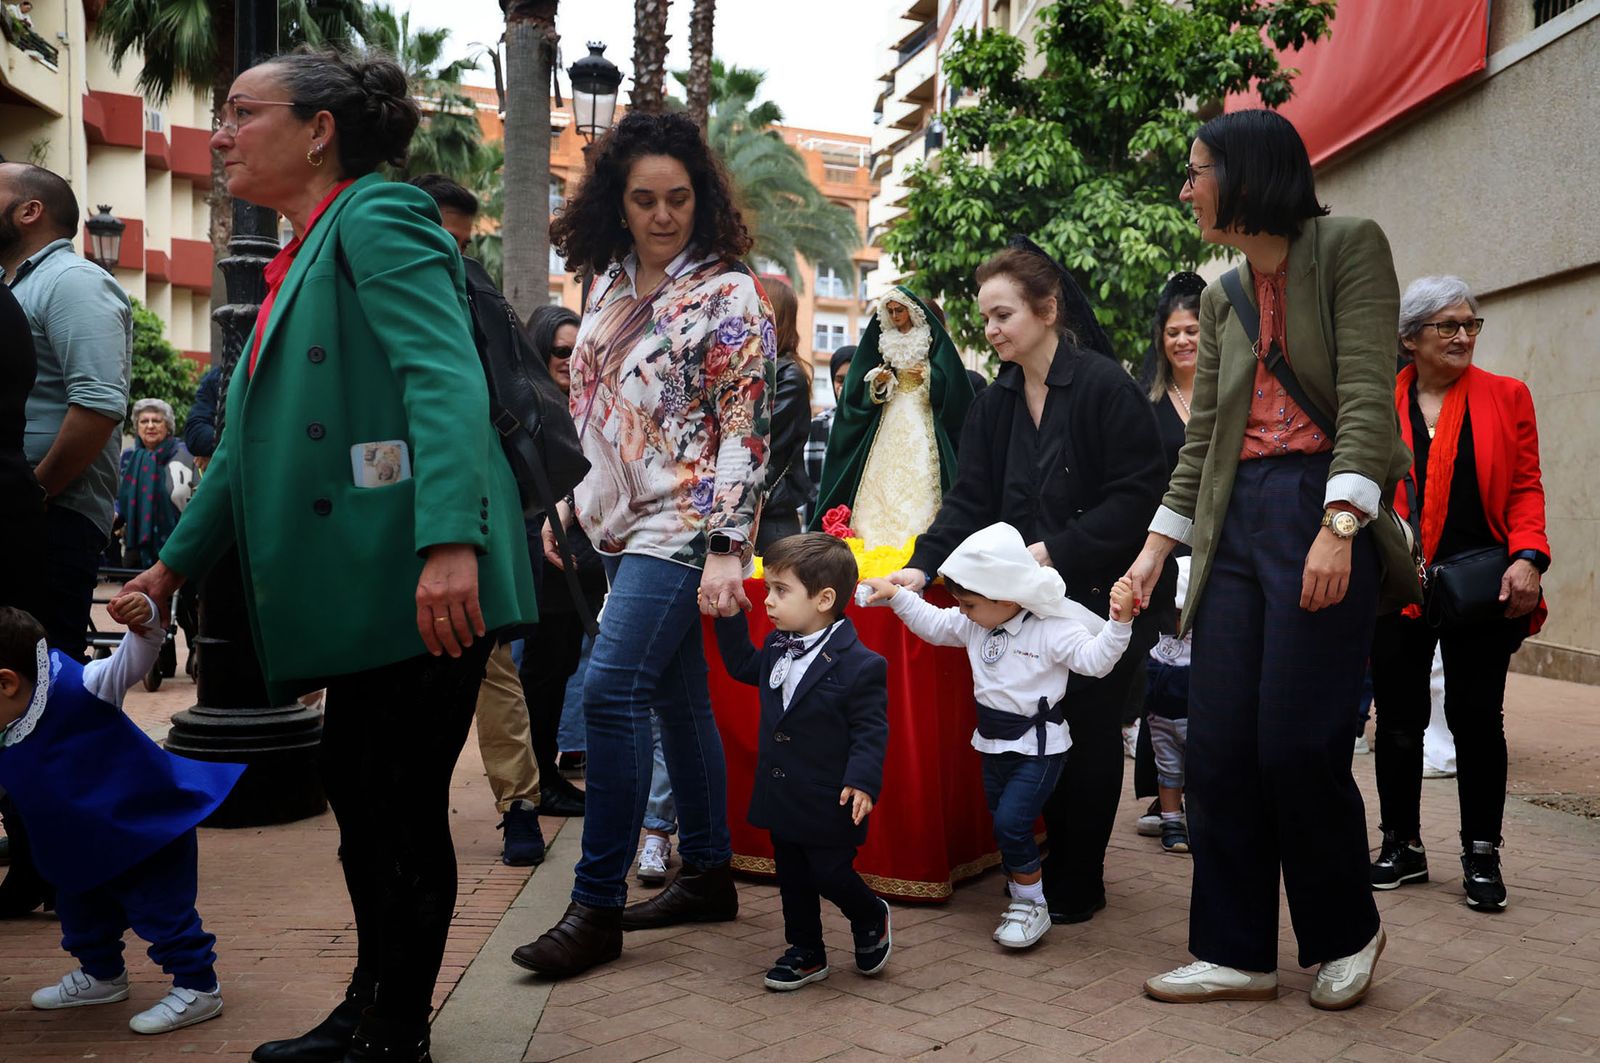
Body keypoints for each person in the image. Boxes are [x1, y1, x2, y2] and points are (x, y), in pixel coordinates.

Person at [123, 48, 536, 1063]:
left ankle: (396, 1028)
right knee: (363, 801)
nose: (220, 134)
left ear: (319, 130)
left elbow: (443, 380)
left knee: (394, 807)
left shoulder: (381, 215)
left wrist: (450, 542)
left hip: (416, 575)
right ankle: (370, 1002)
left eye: (240, 112)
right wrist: (170, 568)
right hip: (371, 580)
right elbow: (248, 448)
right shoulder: (309, 242)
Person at [1127, 109, 1410, 1010]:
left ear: (1246, 175)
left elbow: (1369, 393)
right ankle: (1235, 950)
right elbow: (1203, 439)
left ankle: (1346, 929)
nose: (1187, 187)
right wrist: (1150, 556)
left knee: (1297, 742)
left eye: (1197, 169)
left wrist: (1339, 522)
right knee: (1217, 750)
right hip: (1233, 524)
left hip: (1319, 507)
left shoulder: (1350, 246)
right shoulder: (1221, 294)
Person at [511, 109, 773, 980]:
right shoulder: (609, 284)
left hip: (688, 523)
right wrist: (578, 509)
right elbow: (598, 416)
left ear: (702, 199)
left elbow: (746, 427)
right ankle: (705, 869)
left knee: (615, 689)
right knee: (676, 700)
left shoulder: (730, 293)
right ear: (617, 204)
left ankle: (596, 906)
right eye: (645, 200)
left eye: (679, 199)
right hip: (621, 526)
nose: (664, 215)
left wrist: (731, 544)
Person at [886, 240, 1172, 926]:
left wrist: (1051, 553)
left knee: (1093, 731)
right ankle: (1039, 871)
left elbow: (1138, 497)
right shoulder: (995, 403)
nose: (990, 329)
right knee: (1037, 733)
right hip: (1018, 608)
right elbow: (968, 499)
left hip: (1100, 597)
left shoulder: (1106, 387)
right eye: (984, 317)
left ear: (1047, 309)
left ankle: (1081, 875)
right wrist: (923, 565)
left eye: (1002, 313)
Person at [1368, 276, 1548, 912]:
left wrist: (1528, 557)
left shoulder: (1507, 397)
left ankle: (1480, 851)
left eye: (1470, 324)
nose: (1463, 336)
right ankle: (1401, 845)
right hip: (1398, 584)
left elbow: (1526, 486)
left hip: (1479, 586)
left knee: (1477, 721)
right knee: (1397, 721)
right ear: (1410, 338)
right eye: (1447, 326)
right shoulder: (1375, 403)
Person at [865, 523, 1134, 948]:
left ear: (1006, 597)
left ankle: (1031, 905)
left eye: (968, 603)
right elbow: (935, 624)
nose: (962, 611)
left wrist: (1118, 625)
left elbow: (1094, 661)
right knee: (1004, 825)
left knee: (1011, 823)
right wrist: (898, 596)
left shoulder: (1051, 627)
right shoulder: (978, 623)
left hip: (1038, 749)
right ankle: (1024, 890)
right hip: (992, 744)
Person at [0, 601, 242, 1034]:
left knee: (161, 911)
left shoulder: (82, 684)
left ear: (6, 683)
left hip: (145, 830)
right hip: (83, 845)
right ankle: (102, 974)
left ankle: (198, 985)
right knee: (81, 910)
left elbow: (135, 655)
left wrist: (146, 619)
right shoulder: (8, 721)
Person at [1, 161, 132, 922]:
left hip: (48, 522)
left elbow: (95, 405)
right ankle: (41, 863)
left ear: (29, 211)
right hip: (29, 517)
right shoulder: (22, 287)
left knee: (39, 696)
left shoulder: (74, 284)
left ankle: (59, 868)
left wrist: (31, 493)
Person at [408, 172, 549, 862]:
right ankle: (403, 807)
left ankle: (520, 803)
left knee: (489, 659)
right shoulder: (372, 285)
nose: (450, 253)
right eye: (440, 236)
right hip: (387, 508)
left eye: (461, 243)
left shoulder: (471, 291)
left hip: (469, 500)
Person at [713, 533, 891, 990]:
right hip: (782, 791)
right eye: (768, 588)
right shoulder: (777, 645)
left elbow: (871, 730)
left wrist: (864, 781)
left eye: (780, 590)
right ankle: (806, 950)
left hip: (830, 794)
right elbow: (740, 667)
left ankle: (869, 913)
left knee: (829, 871)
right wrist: (730, 616)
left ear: (824, 599)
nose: (768, 600)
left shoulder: (861, 664)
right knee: (791, 876)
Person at [513, 303, 597, 820]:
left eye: (577, 350)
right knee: (540, 675)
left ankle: (546, 778)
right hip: (541, 558)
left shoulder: (589, 404)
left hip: (584, 561)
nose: (568, 360)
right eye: (559, 350)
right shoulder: (525, 405)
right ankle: (538, 782)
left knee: (563, 667)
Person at [1131, 272, 1206, 835]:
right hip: (1162, 553)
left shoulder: (1233, 392)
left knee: (1217, 673)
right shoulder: (1147, 401)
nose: (1182, 341)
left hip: (1223, 550)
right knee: (1163, 678)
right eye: (1173, 332)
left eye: (1193, 331)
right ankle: (1168, 798)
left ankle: (1210, 793)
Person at [812, 288, 973, 548]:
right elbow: (867, 385)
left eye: (901, 311)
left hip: (921, 416)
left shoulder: (929, 346)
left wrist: (928, 377)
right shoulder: (887, 343)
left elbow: (954, 394)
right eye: (892, 312)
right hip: (891, 414)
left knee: (920, 475)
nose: (897, 317)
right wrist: (880, 382)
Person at [755, 276, 813, 552]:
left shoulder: (788, 376)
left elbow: (758, 439)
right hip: (746, 511)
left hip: (770, 515)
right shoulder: (753, 368)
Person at [1143, 556, 1193, 855]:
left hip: (1195, 719)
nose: (1176, 620)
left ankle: (1200, 821)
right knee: (1168, 772)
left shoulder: (1207, 637)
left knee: (1200, 771)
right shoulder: (1156, 633)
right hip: (1160, 720)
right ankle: (1171, 821)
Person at [118, 399, 195, 569]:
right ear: (137, 427)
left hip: (176, 546)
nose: (150, 426)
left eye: (156, 421)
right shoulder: (129, 457)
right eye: (144, 421)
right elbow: (119, 498)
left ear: (168, 427)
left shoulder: (186, 455)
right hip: (135, 544)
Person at [801, 345, 854, 529]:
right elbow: (808, 487)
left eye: (851, 378)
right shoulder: (817, 427)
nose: (844, 386)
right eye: (839, 379)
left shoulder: (876, 427)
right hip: (822, 530)